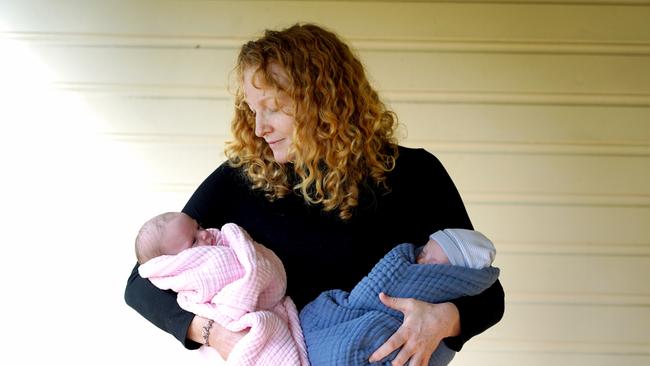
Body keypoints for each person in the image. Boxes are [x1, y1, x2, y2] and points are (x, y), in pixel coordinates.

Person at [125, 23, 505, 366]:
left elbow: (489, 294)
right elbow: (143, 283)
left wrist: (445, 320)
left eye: (272, 108)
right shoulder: (241, 179)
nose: (258, 128)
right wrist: (214, 334)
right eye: (251, 110)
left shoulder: (416, 174)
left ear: (324, 102)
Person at [300, 229, 499, 365]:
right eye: (424, 253)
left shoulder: (413, 173)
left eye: (433, 262)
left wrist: (446, 318)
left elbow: (492, 301)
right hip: (300, 331)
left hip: (394, 334)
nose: (421, 260)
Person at [134, 212, 309, 365]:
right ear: (175, 264)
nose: (205, 234)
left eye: (199, 226)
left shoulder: (221, 240)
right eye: (194, 241)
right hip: (241, 328)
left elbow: (260, 269)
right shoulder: (194, 274)